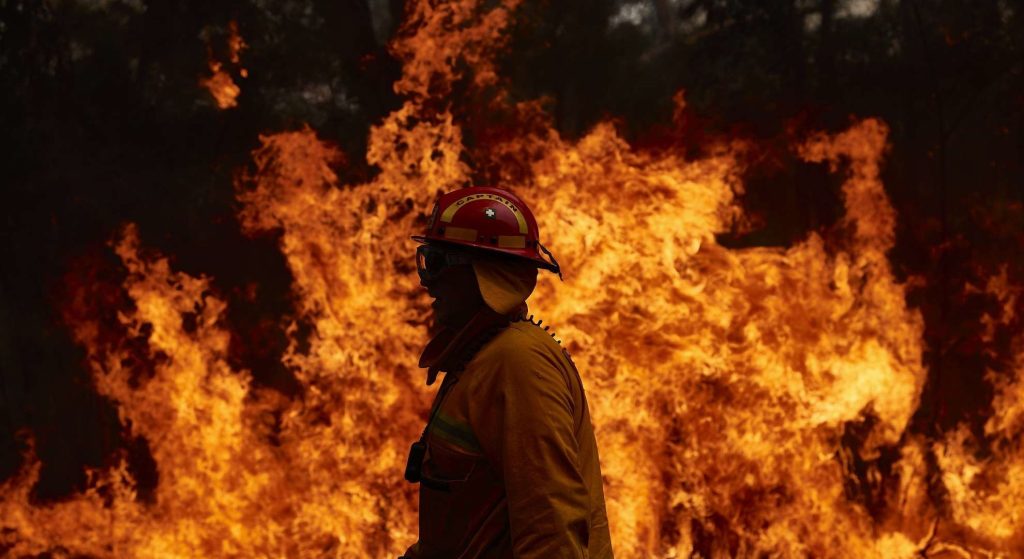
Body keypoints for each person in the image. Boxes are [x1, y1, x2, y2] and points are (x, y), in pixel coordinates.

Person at [401, 186, 614, 559]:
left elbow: (552, 536)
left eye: (436, 262)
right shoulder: (479, 358)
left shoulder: (519, 365)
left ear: (483, 273)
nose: (426, 282)